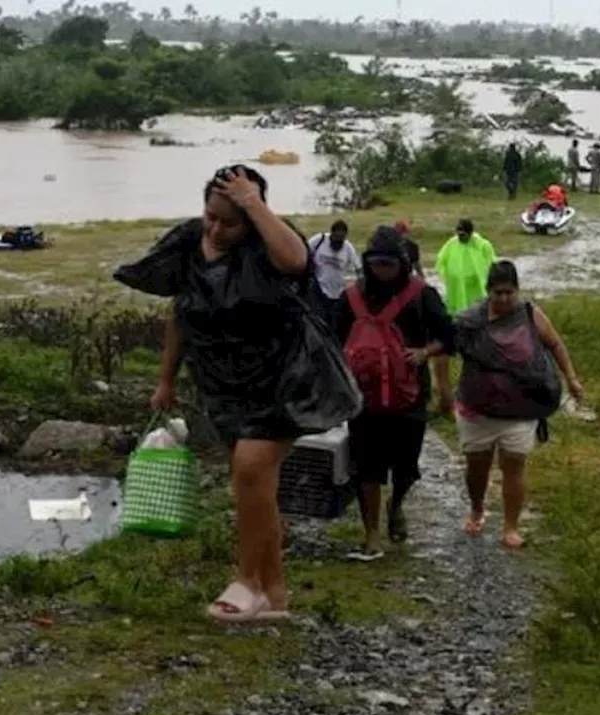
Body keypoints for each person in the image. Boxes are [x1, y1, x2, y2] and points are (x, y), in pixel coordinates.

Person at [113, 165, 325, 624]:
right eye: (211, 216)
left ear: (252, 216)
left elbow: (297, 262)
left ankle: (246, 581)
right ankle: (275, 593)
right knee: (254, 488)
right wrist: (165, 379)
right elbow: (181, 313)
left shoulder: (270, 244)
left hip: (282, 380)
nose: (216, 228)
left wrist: (253, 203)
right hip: (222, 384)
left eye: (229, 221)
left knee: (250, 468)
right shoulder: (191, 244)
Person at [334, 226, 454, 561]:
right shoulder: (351, 297)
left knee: (406, 468)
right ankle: (371, 533)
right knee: (367, 468)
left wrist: (423, 352)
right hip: (364, 399)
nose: (382, 270)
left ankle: (396, 503)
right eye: (376, 263)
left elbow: (449, 336)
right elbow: (332, 340)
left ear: (401, 263)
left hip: (409, 398)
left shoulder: (421, 295)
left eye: (389, 263)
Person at [448, 260, 583, 549]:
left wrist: (571, 378)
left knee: (514, 465)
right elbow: (445, 346)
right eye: (498, 293)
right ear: (488, 292)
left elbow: (555, 344)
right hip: (477, 410)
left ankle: (510, 526)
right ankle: (477, 508)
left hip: (521, 409)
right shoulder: (471, 321)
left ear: (518, 290)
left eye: (510, 292)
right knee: (477, 468)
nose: (505, 298)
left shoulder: (531, 314)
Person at [436, 218, 497, 315]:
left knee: (475, 309)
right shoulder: (452, 243)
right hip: (456, 286)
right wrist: (448, 275)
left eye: (463, 235)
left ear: (470, 233)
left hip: (474, 286)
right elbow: (441, 259)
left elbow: (492, 263)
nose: (460, 237)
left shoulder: (482, 245)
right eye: (458, 234)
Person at [308, 220, 360, 325]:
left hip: (337, 293)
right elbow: (304, 252)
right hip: (318, 289)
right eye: (335, 241)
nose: (337, 246)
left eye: (340, 242)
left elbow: (358, 268)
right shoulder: (319, 240)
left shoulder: (348, 248)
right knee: (318, 322)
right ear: (330, 235)